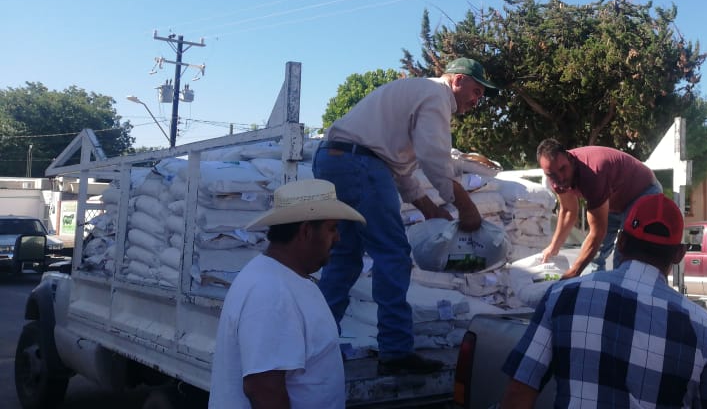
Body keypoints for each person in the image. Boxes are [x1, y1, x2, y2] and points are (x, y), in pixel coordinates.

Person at [316, 57, 497, 374]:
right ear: (456, 80)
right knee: (393, 254)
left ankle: (315, 346)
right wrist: (463, 204)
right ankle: (396, 352)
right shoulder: (436, 95)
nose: (476, 100)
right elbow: (434, 156)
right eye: (476, 90)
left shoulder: (416, 95)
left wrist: (428, 207)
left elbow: (396, 168)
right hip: (359, 164)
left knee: (344, 259)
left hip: (335, 159)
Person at [501, 193, 707, 409]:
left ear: (622, 242)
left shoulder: (562, 296)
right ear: (679, 254)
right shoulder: (706, 330)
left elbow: (518, 394)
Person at [209, 179, 366, 409]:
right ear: (305, 231)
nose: (338, 238)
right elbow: (263, 389)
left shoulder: (285, 279)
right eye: (332, 229)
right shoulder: (271, 291)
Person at [535, 138, 662, 278]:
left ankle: (623, 296)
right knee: (593, 258)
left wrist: (572, 273)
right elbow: (568, 211)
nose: (559, 178)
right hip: (613, 201)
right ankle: (595, 295)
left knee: (624, 256)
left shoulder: (592, 174)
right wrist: (554, 247)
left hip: (642, 192)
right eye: (551, 174)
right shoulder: (556, 179)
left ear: (570, 159)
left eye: (562, 169)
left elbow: (597, 233)